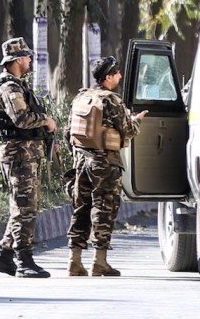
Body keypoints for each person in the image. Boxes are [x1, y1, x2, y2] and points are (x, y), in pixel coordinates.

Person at [65, 56, 149, 277]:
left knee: (81, 209)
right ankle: (99, 262)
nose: (120, 76)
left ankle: (74, 261)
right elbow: (128, 131)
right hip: (105, 163)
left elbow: (68, 133)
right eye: (117, 73)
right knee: (104, 209)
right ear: (108, 77)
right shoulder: (111, 100)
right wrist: (137, 120)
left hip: (81, 161)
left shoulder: (81, 97)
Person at [0, 37, 57, 278]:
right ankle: (23, 260)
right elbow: (21, 119)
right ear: (17, 60)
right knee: (24, 208)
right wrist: (46, 121)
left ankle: (5, 256)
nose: (30, 60)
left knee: (25, 207)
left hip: (27, 152)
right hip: (18, 153)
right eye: (27, 57)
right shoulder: (9, 88)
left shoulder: (19, 86)